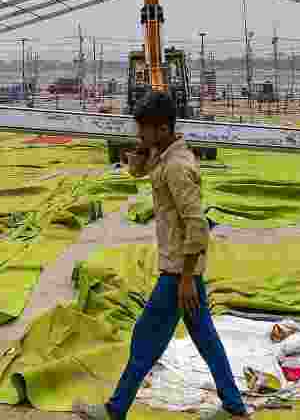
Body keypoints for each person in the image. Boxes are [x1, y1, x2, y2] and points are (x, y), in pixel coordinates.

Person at [72, 91, 248, 420]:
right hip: (182, 271)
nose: (138, 135)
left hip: (178, 272)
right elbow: (137, 173)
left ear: (164, 128)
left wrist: (186, 280)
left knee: (145, 341)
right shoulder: (164, 155)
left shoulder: (178, 167)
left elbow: (197, 226)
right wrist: (142, 148)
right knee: (206, 340)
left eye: (144, 130)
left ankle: (115, 410)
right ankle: (235, 408)